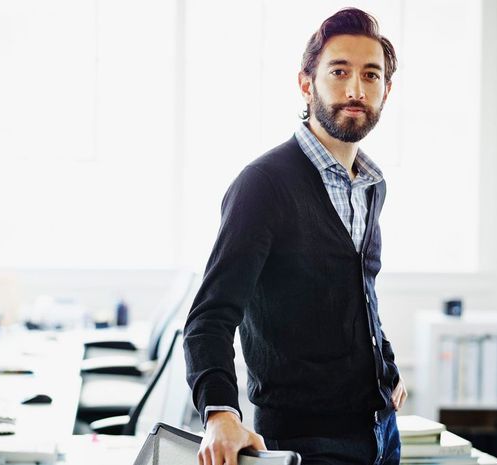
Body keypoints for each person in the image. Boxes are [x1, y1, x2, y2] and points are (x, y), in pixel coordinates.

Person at [183, 8, 407, 465]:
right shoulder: (264, 184)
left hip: (380, 433)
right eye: (339, 71)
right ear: (306, 84)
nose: (355, 89)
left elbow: (358, 291)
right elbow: (209, 318)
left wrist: (386, 363)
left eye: (371, 75)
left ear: (387, 89)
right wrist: (220, 412)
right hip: (302, 442)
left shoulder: (371, 184)